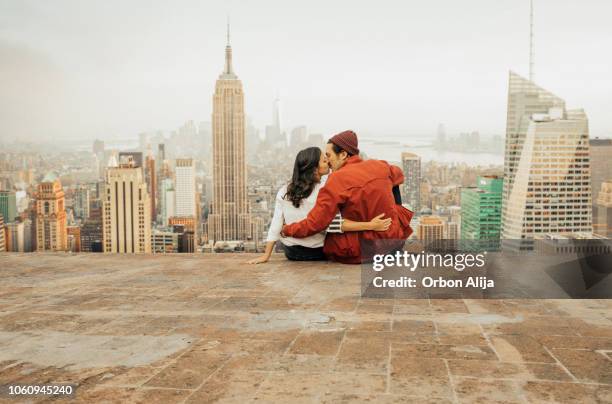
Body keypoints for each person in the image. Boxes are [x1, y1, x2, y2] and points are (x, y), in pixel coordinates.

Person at [281, 130, 414, 264]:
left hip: (362, 250)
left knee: (330, 235)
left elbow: (315, 224)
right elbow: (398, 174)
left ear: (343, 154)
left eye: (329, 155)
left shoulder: (336, 180)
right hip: (391, 240)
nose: (327, 161)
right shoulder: (380, 166)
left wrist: (288, 229)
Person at [247, 146, 392, 264]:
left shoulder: (284, 190)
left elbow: (276, 223)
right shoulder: (324, 191)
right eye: (324, 161)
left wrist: (266, 255)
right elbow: (335, 225)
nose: (328, 162)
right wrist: (371, 225)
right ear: (314, 168)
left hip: (291, 252)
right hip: (317, 252)